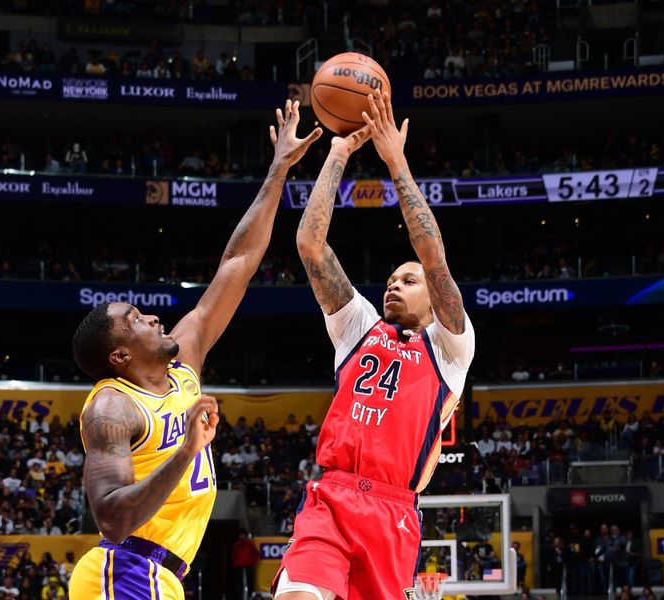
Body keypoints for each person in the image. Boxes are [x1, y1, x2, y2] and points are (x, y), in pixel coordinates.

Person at [68, 100, 321, 599]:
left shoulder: (183, 366)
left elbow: (240, 261)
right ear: (119, 357)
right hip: (124, 572)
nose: (154, 317)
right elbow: (113, 518)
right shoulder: (112, 406)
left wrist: (278, 170)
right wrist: (186, 450)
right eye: (136, 321)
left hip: (160, 577)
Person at [274, 89, 475, 599]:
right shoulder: (358, 328)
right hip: (332, 498)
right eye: (390, 278)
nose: (393, 284)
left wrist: (395, 161)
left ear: (435, 297)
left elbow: (432, 254)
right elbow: (310, 245)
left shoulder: (451, 348)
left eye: (408, 280)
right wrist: (338, 155)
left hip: (393, 512)